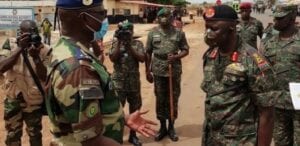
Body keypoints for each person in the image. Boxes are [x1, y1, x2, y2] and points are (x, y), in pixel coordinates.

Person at [46, 0, 156, 145]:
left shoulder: (65, 48)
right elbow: (91, 140)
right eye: (101, 13)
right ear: (85, 18)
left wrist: (120, 119)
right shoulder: (79, 68)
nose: (105, 17)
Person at [201, 5, 278, 145]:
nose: (208, 33)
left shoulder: (254, 61)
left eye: (214, 28)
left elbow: (267, 114)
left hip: (239, 140)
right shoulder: (210, 55)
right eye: (206, 27)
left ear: (232, 28)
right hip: (211, 137)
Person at [0, 20, 50, 146]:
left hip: (33, 100)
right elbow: (2, 67)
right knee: (12, 137)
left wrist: (36, 58)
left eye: (35, 33)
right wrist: (20, 48)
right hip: (13, 98)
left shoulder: (45, 49)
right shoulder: (10, 45)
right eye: (28, 34)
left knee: (35, 136)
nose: (32, 37)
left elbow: (45, 76)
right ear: (21, 33)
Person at [145, 8, 189, 142]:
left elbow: (186, 50)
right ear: (157, 18)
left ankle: (171, 126)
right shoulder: (152, 33)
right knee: (160, 98)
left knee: (173, 98)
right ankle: (162, 126)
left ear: (171, 18)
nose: (164, 18)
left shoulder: (179, 33)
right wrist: (147, 71)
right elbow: (148, 52)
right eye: (161, 16)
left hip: (173, 70)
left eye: (167, 16)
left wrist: (176, 57)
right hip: (158, 71)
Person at [260, 4, 300, 146]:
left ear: (292, 18)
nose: (275, 22)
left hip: (299, 105)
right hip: (277, 103)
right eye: (275, 18)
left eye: (280, 18)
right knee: (281, 142)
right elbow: (262, 71)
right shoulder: (268, 43)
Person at [109, 21, 145, 146]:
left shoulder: (137, 43)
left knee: (135, 108)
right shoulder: (115, 43)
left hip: (133, 82)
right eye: (123, 31)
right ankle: (117, 137)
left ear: (132, 31)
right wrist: (119, 42)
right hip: (119, 83)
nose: (126, 34)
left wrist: (129, 46)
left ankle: (133, 136)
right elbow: (112, 58)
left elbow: (142, 58)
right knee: (117, 110)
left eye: (128, 31)